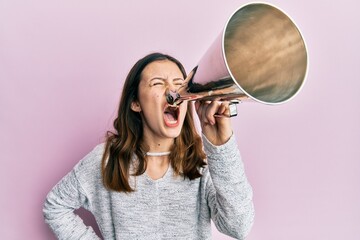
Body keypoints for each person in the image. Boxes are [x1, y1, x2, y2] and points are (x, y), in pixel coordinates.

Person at [43, 52, 255, 239]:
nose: (173, 91)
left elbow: (238, 227)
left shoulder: (204, 163)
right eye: (157, 83)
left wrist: (221, 147)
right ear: (136, 103)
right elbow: (55, 207)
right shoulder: (106, 161)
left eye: (178, 83)